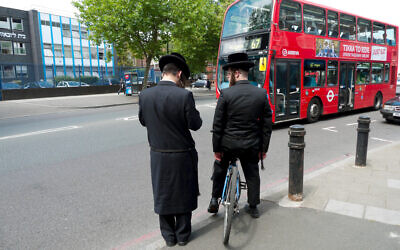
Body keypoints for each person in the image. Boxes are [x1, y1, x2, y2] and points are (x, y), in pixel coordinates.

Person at [138, 52, 202, 247]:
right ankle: (183, 235)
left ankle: (168, 236)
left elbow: (143, 121)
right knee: (184, 193)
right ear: (179, 73)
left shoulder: (145, 95)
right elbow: (195, 124)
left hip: (158, 154)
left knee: (163, 193)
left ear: (162, 72)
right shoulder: (184, 95)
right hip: (182, 155)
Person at [208, 52, 272, 218]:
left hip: (228, 144)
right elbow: (267, 125)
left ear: (236, 73)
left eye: (229, 73)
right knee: (252, 173)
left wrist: (216, 149)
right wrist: (263, 149)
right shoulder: (261, 94)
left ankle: (214, 199)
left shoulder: (226, 94)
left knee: (220, 167)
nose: (229, 76)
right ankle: (253, 206)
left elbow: (218, 125)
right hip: (251, 145)